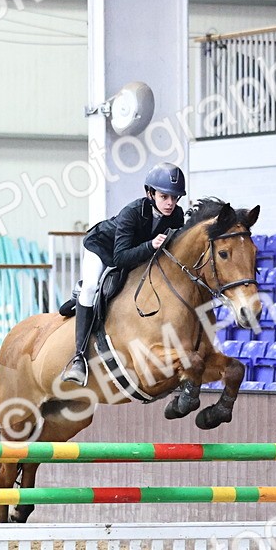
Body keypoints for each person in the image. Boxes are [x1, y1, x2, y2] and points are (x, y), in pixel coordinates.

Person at [61, 162, 188, 386]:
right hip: (102, 249)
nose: (170, 203)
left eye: (174, 198)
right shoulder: (132, 212)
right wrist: (150, 246)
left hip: (134, 255)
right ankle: (79, 358)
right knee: (92, 287)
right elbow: (119, 258)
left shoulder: (176, 216)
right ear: (150, 193)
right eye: (164, 196)